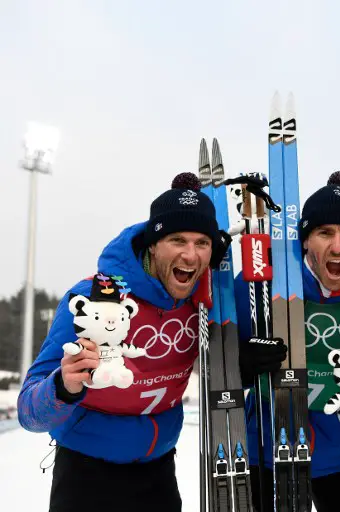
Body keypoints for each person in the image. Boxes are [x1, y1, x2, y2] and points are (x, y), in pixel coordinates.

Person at [17, 173, 232, 511]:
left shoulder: (208, 299)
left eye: (201, 243)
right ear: (153, 244)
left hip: (158, 472)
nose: (190, 256)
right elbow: (29, 412)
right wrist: (63, 387)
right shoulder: (93, 301)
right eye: (177, 240)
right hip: (86, 475)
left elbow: (233, 359)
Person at [235, 171, 340, 512]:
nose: (337, 246)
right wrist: (242, 365)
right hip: (267, 448)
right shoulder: (261, 284)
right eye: (325, 233)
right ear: (306, 239)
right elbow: (218, 363)